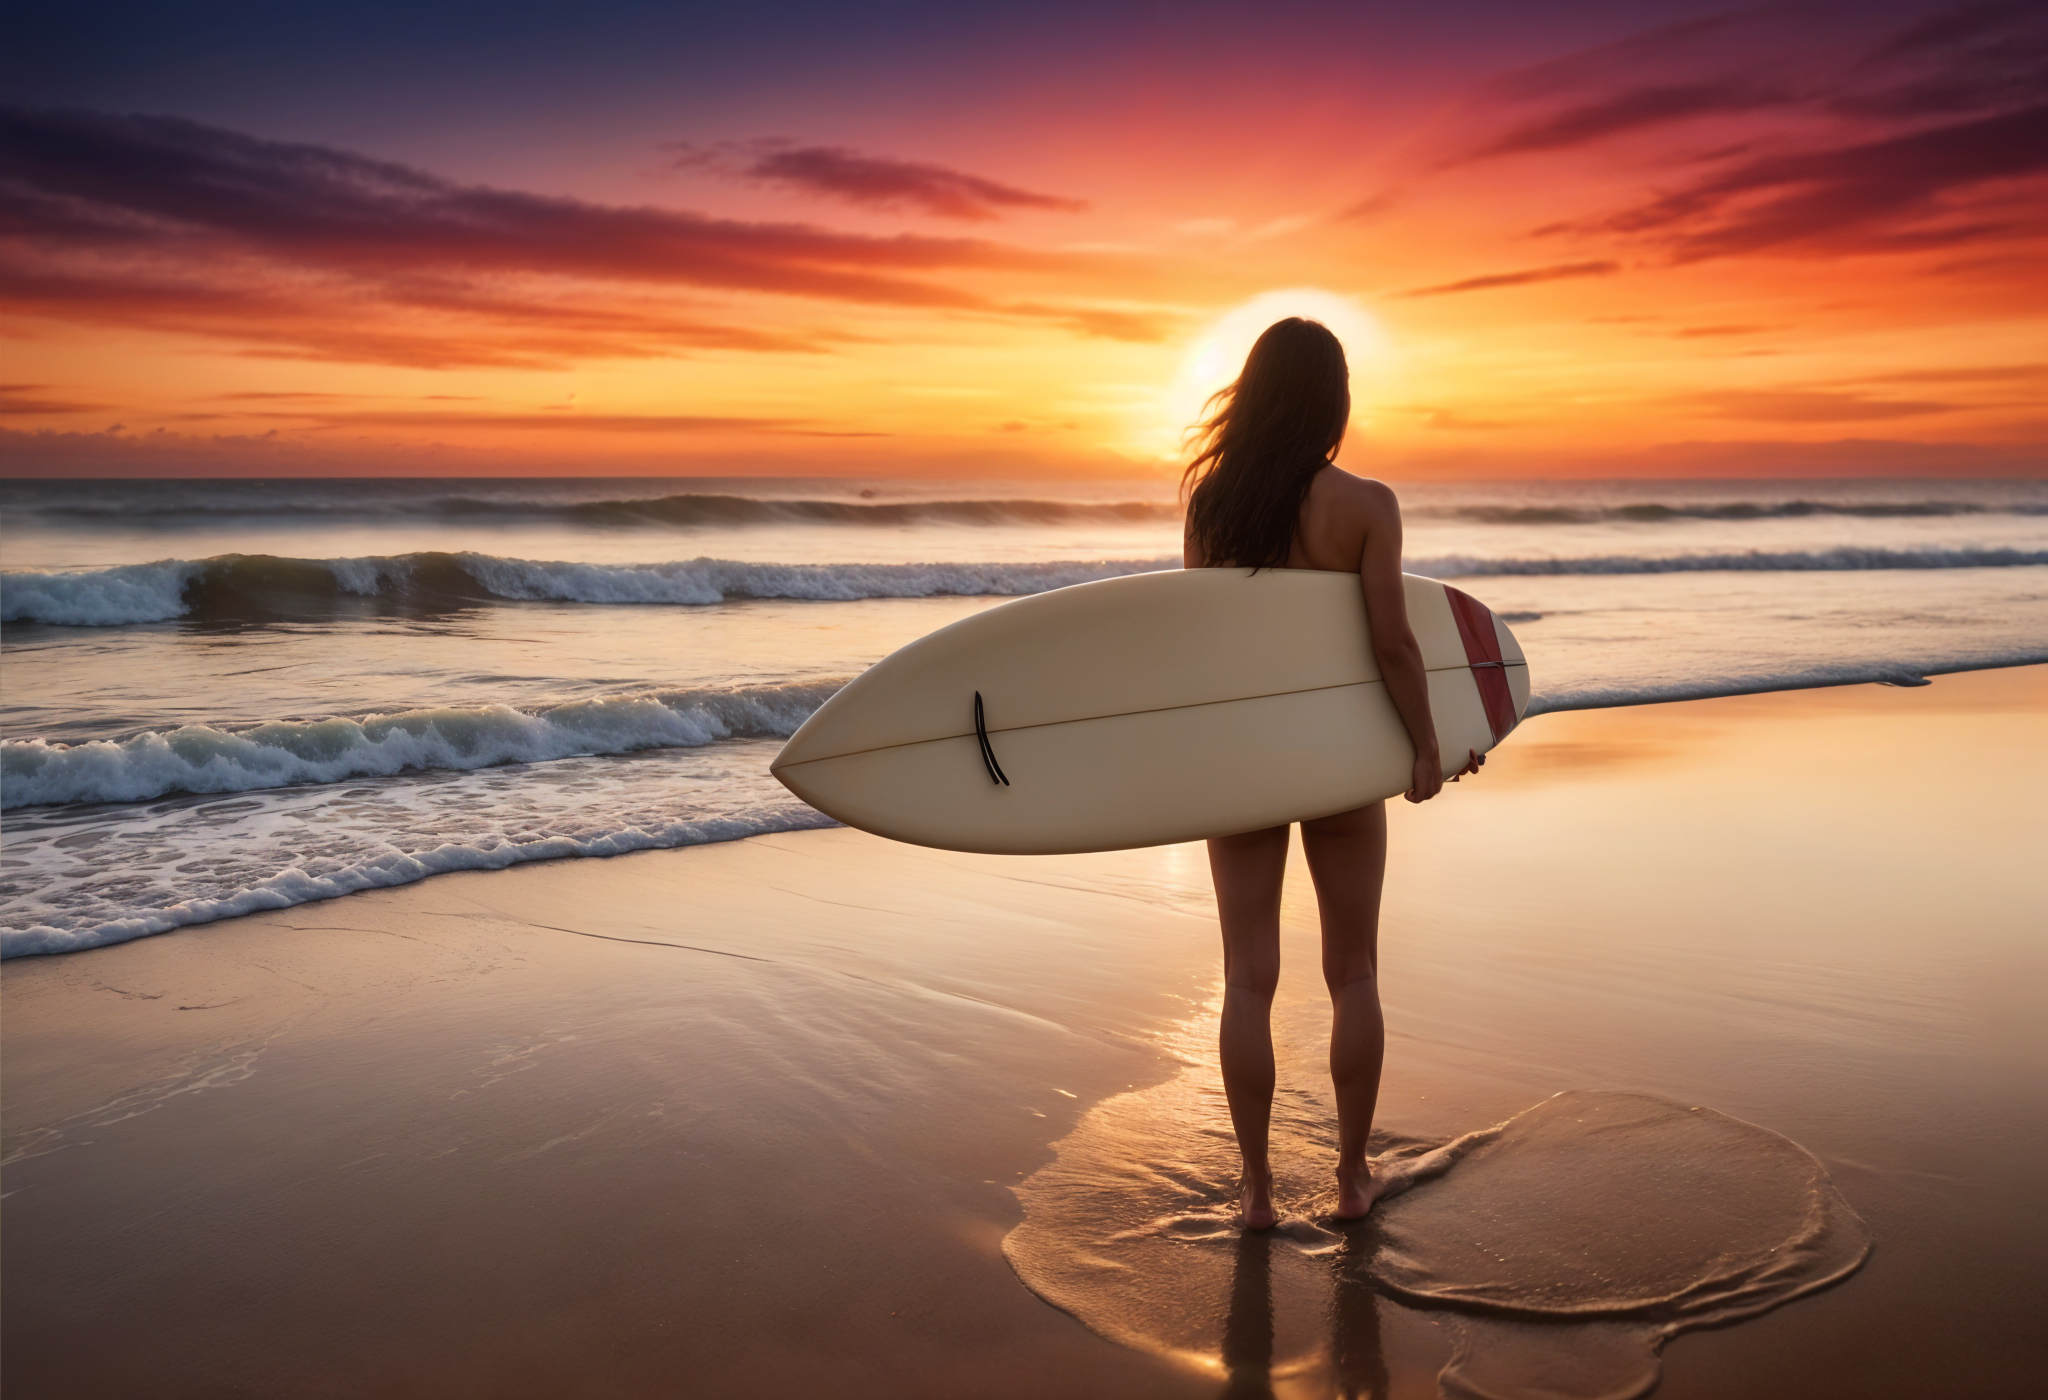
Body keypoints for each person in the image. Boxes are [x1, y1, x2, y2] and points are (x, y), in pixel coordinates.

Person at [1181, 317, 1481, 1230]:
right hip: (1340, 758)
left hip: (1242, 759)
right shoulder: (1366, 505)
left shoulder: (1211, 505)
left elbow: (1201, 645)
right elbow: (1392, 643)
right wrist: (1425, 748)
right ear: (1333, 401)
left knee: (1246, 979)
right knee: (1353, 973)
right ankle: (1352, 1178)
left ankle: (1258, 1192)